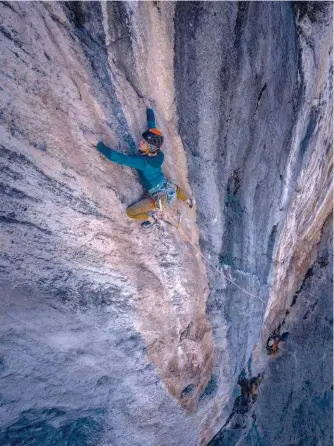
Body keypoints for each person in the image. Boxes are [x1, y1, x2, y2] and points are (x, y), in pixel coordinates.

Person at [96, 105, 193, 227]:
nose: (140, 142)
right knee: (176, 189)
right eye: (142, 140)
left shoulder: (142, 162)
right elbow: (152, 129)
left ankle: (151, 218)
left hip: (157, 197)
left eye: (144, 143)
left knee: (130, 212)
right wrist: (150, 111)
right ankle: (189, 201)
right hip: (167, 187)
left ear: (150, 148)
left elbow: (119, 158)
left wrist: (98, 145)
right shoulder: (159, 154)